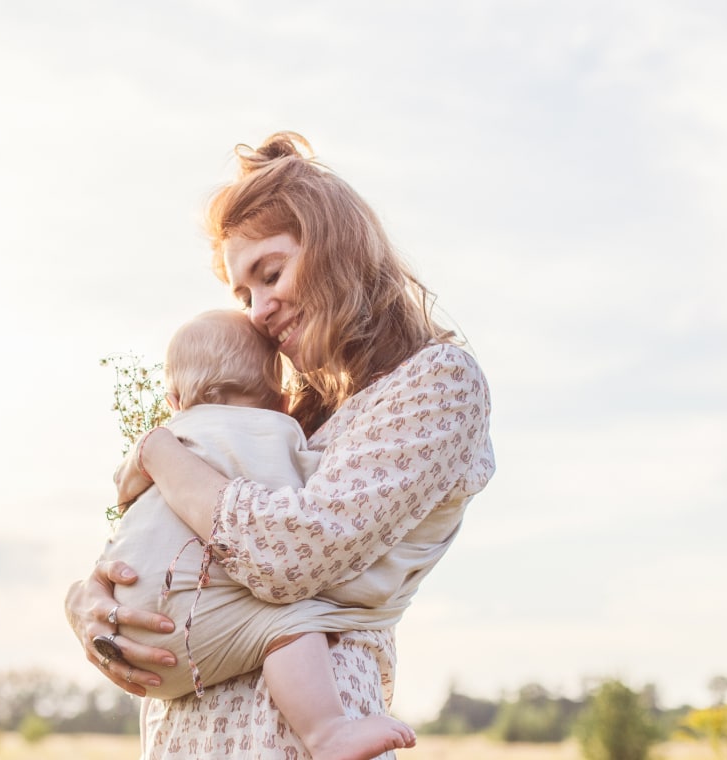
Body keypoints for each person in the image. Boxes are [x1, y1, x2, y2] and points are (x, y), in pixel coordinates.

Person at [65, 131, 496, 760]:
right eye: (244, 294)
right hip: (188, 733)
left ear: (336, 248)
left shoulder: (437, 382)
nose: (259, 309)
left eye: (270, 275)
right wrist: (89, 602)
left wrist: (159, 451)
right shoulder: (286, 418)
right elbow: (167, 537)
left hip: (288, 737)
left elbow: (293, 553)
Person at [98, 308, 416, 759]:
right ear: (282, 400)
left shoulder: (169, 439)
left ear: (173, 400)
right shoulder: (270, 432)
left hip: (130, 636)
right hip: (188, 632)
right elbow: (296, 523)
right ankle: (328, 732)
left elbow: (127, 502)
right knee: (290, 621)